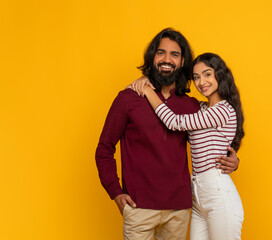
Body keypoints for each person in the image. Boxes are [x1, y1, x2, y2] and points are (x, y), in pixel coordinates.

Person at [95, 28, 239, 240]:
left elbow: (214, 133)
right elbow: (104, 148)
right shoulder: (128, 99)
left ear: (182, 63)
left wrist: (232, 159)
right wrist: (115, 192)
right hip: (138, 209)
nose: (167, 59)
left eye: (175, 54)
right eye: (161, 52)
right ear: (153, 57)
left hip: (179, 210)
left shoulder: (191, 105)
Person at [131, 52, 245, 239]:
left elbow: (174, 121)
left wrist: (148, 91)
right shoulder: (201, 108)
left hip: (217, 193)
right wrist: (149, 79)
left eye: (207, 74)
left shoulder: (224, 110)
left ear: (220, 75)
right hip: (197, 194)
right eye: (196, 77)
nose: (201, 82)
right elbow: (175, 97)